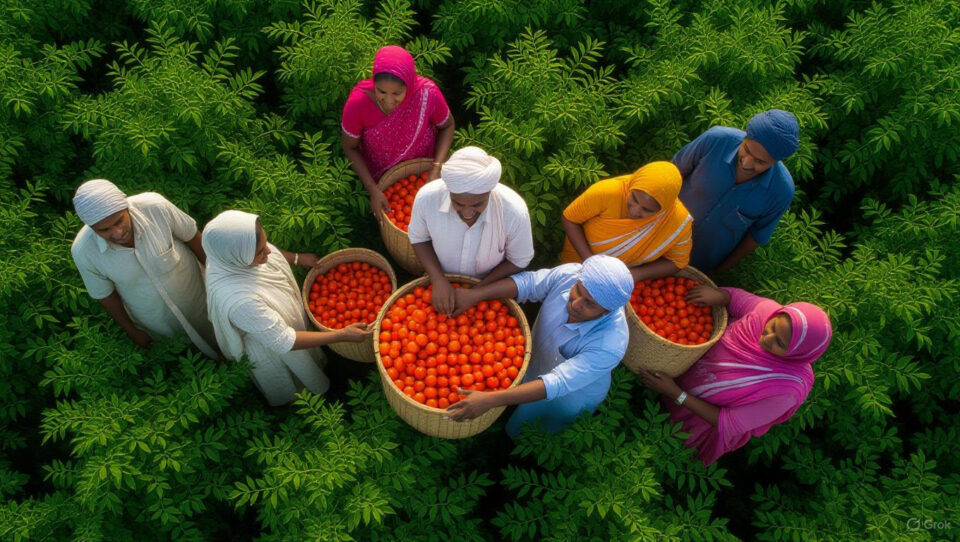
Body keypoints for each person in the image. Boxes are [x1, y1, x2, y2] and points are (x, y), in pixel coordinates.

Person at [635, 284, 832, 465]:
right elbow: (735, 299)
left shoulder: (786, 391)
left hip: (691, 418)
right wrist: (719, 295)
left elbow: (727, 422)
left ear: (797, 353)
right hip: (675, 373)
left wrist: (676, 393)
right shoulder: (764, 312)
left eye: (780, 343)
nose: (767, 338)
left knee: (656, 447)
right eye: (772, 327)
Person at [446, 255, 633, 438]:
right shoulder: (570, 275)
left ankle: (511, 449)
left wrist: (491, 400)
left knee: (530, 429)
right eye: (578, 291)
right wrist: (475, 295)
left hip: (570, 394)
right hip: (535, 363)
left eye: (589, 304)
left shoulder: (610, 343)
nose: (575, 304)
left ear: (606, 311)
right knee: (515, 398)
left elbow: (557, 383)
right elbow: (528, 284)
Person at [202, 211, 371, 406]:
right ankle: (317, 403)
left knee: (312, 358)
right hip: (272, 348)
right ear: (239, 256)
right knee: (300, 377)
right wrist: (341, 335)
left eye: (265, 244)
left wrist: (298, 258)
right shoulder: (240, 302)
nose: (269, 252)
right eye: (261, 251)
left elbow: (270, 250)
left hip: (280, 329)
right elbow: (285, 342)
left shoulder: (225, 255)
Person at [70, 179, 218, 358]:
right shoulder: (84, 251)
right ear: (91, 228)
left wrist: (220, 282)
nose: (116, 233)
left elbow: (193, 238)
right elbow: (106, 296)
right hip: (157, 325)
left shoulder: (155, 208)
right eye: (104, 230)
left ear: (126, 207)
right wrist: (132, 331)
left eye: (119, 221)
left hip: (202, 303)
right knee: (191, 362)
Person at [409, 146, 534, 315]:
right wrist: (438, 279)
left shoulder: (513, 212)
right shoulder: (427, 199)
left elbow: (519, 260)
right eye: (458, 204)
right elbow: (419, 238)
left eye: (478, 204)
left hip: (490, 284)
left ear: (490, 192)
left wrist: (478, 291)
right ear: (449, 191)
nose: (467, 213)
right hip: (441, 276)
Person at [673, 109, 800, 274]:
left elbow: (755, 238)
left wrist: (718, 272)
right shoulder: (715, 140)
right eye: (746, 150)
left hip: (698, 264)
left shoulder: (781, 191)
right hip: (660, 237)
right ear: (746, 138)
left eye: (759, 162)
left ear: (775, 162)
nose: (747, 163)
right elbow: (673, 173)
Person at [341, 45, 456, 222]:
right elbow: (350, 148)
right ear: (374, 84)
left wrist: (436, 168)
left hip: (423, 171)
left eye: (397, 93)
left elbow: (447, 126)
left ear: (409, 85)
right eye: (381, 91)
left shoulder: (426, 94)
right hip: (381, 175)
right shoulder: (358, 103)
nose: (388, 101)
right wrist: (373, 190)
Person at [560, 161, 692, 281]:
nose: (634, 212)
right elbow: (570, 218)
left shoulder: (677, 221)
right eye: (634, 198)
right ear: (632, 185)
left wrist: (634, 275)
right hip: (578, 261)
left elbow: (677, 262)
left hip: (616, 278)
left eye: (647, 210)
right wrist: (589, 260)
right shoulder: (607, 192)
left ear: (664, 209)